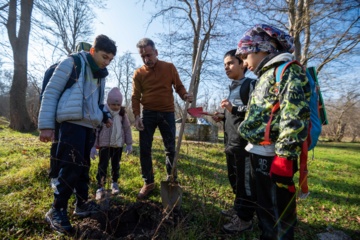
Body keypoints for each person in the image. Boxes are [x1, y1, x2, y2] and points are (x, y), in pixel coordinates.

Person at [236, 24, 310, 240]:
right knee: (265, 209)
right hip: (260, 153)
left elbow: (294, 114)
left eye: (245, 55)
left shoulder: (287, 71)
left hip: (274, 157)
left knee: (277, 214)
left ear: (261, 49)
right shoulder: (266, 75)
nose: (244, 62)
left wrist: (285, 157)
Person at [38, 34, 117, 234]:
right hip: (71, 123)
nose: (106, 62)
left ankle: (81, 204)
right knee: (70, 165)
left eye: (110, 59)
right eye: (104, 57)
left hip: (88, 126)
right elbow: (51, 92)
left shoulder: (99, 74)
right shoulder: (72, 63)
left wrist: (104, 115)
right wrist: (46, 125)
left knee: (83, 166)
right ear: (93, 51)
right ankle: (56, 209)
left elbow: (97, 104)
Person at [131, 38, 193, 199]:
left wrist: (185, 95)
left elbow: (178, 86)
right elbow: (135, 97)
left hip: (167, 113)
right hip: (148, 114)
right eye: (143, 56)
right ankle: (148, 182)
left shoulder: (169, 68)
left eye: (149, 55)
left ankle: (172, 179)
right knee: (144, 149)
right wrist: (137, 116)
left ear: (156, 53)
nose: (146, 59)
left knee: (170, 149)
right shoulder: (138, 74)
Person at [212, 49, 257, 233]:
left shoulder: (251, 84)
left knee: (245, 182)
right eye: (224, 65)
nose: (226, 68)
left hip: (244, 144)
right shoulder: (232, 87)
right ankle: (238, 208)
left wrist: (234, 109)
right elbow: (234, 114)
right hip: (230, 142)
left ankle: (245, 219)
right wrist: (222, 116)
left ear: (243, 63)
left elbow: (255, 111)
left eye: (230, 63)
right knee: (234, 179)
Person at [40, 42, 92, 180]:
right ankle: (55, 175)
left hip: (76, 117)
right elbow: (46, 94)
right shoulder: (57, 68)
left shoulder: (90, 72)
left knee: (76, 150)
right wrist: (47, 123)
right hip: (59, 116)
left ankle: (73, 178)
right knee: (57, 145)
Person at [91, 87, 133, 200]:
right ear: (108, 103)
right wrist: (94, 146)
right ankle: (100, 187)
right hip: (105, 145)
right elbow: (96, 130)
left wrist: (129, 143)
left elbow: (127, 128)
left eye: (118, 105)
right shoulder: (102, 113)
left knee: (116, 165)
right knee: (102, 166)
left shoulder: (122, 114)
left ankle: (114, 183)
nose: (115, 107)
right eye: (112, 104)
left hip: (118, 145)